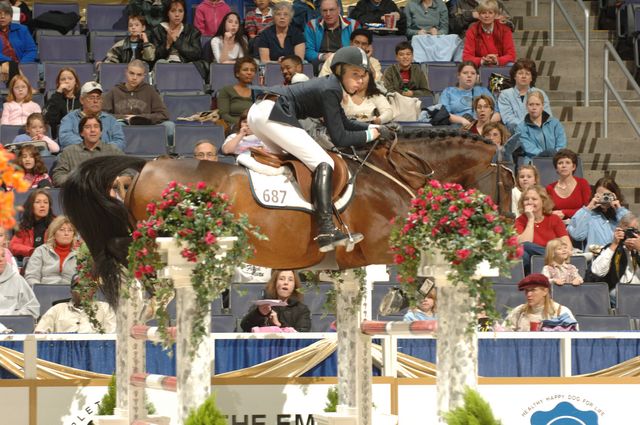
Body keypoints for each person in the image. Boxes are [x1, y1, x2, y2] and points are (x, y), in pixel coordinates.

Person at [247, 46, 394, 252]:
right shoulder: (331, 89)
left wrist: (374, 127)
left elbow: (345, 123)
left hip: (260, 112)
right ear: (340, 71)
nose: (360, 81)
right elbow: (340, 137)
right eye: (355, 75)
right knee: (324, 162)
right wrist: (373, 135)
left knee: (293, 164)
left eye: (362, 76)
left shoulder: (332, 87)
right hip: (273, 112)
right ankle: (326, 229)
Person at [102, 60, 174, 145]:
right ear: (126, 72)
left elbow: (164, 114)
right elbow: (103, 115)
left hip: (147, 126)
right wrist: (125, 117)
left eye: (139, 75)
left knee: (169, 126)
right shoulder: (115, 91)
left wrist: (140, 118)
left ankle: (168, 154)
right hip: (124, 126)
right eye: (131, 73)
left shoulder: (150, 90)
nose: (134, 78)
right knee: (118, 125)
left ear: (144, 76)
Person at [52, 116, 125, 186]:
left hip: (107, 193)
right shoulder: (68, 152)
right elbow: (58, 177)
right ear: (81, 133)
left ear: (101, 132)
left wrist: (112, 182)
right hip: (79, 193)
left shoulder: (113, 151)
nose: (93, 130)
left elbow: (129, 173)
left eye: (96, 126)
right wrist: (80, 181)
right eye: (87, 127)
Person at [515, 185, 571, 274]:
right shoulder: (520, 221)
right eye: (526, 199)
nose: (529, 202)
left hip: (554, 258)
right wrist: (530, 219)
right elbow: (524, 243)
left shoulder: (554, 219)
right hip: (532, 262)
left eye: (534, 199)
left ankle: (551, 257)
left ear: (543, 201)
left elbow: (568, 246)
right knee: (523, 252)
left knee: (526, 247)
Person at [34, 274, 116, 333]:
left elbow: (112, 336)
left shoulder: (105, 308)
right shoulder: (57, 309)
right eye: (79, 287)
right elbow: (39, 334)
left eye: (87, 286)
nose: (83, 290)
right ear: (71, 291)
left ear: (94, 290)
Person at [58, 81, 127, 151]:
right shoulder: (70, 118)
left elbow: (120, 142)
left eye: (98, 97)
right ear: (82, 100)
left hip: (105, 157)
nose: (95, 101)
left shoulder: (111, 120)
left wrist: (101, 149)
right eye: (91, 97)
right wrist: (88, 147)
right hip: (79, 156)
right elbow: (65, 138)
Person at [151, 0, 208, 80]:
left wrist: (177, 41)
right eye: (173, 11)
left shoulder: (192, 31)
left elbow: (196, 54)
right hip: (165, 66)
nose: (177, 15)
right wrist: (168, 43)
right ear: (167, 13)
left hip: (185, 66)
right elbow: (154, 56)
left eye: (180, 11)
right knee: (161, 63)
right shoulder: (158, 31)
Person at [591, 213, 640, 305]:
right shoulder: (612, 248)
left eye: (635, 231)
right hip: (619, 291)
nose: (631, 235)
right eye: (628, 231)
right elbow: (597, 271)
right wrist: (614, 244)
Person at [568, 176, 630, 249]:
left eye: (606, 195)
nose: (604, 198)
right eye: (599, 195)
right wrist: (588, 209)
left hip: (617, 257)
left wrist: (619, 210)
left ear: (614, 195)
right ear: (594, 194)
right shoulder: (588, 214)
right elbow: (577, 236)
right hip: (596, 257)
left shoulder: (621, 213)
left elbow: (632, 231)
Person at [240, 270, 311, 332]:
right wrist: (259, 313)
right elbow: (245, 326)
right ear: (275, 282)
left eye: (290, 280)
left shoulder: (302, 310)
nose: (286, 282)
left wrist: (279, 325)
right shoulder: (263, 304)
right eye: (281, 279)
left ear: (295, 285)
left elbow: (302, 333)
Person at [503, 273, 577, 332]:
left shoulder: (561, 312)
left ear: (545, 291)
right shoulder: (519, 312)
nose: (529, 294)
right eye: (527, 291)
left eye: (533, 290)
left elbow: (574, 337)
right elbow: (503, 334)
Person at [498, 58, 552, 132]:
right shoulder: (505, 95)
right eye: (520, 73)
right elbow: (508, 119)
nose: (524, 76)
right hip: (514, 135)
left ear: (531, 78)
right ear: (514, 76)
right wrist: (528, 127)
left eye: (527, 74)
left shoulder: (541, 93)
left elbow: (547, 116)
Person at [440, 61, 499, 127]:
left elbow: (497, 114)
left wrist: (484, 125)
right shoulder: (448, 92)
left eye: (473, 73)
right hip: (457, 128)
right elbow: (444, 114)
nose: (469, 75)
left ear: (477, 77)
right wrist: (462, 120)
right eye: (465, 73)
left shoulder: (483, 91)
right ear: (458, 75)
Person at [304, 0, 359, 71]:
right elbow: (308, 52)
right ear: (320, 12)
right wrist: (323, 57)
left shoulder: (353, 25)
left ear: (339, 10)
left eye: (332, 10)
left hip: (347, 64)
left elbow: (358, 50)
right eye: (324, 10)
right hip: (322, 65)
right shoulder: (312, 25)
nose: (328, 14)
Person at [24, 216, 77, 286]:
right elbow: (31, 277)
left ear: (73, 235)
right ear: (54, 233)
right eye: (62, 230)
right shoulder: (41, 251)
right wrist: (40, 291)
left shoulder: (79, 255)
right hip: (45, 293)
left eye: (70, 230)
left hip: (71, 294)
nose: (66, 233)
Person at [516, 90, 567, 162]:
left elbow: (561, 144)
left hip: (556, 159)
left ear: (542, 106)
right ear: (526, 106)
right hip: (533, 161)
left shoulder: (555, 123)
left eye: (537, 104)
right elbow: (528, 148)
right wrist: (544, 154)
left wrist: (555, 154)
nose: (534, 107)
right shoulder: (521, 128)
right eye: (531, 104)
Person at [462, 0, 516, 67]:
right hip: (479, 67)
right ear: (479, 15)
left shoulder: (505, 29)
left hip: (499, 66)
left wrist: (497, 60)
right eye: (483, 13)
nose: (487, 16)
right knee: (467, 67)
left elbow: (511, 55)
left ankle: (499, 77)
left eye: (490, 13)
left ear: (495, 15)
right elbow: (467, 56)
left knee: (511, 65)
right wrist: (482, 61)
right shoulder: (472, 30)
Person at [9, 189, 55, 262]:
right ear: (31, 206)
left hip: (51, 261)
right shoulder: (23, 226)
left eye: (46, 202)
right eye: (38, 202)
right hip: (30, 261)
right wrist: (32, 251)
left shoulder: (57, 224)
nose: (42, 205)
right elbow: (13, 246)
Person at [546, 149, 591, 220]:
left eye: (567, 162)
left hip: (580, 224)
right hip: (557, 224)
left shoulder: (582, 183)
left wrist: (564, 212)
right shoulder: (550, 188)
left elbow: (588, 209)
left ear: (573, 167)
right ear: (556, 168)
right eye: (560, 163)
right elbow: (547, 212)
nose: (564, 166)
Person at [0, 2, 37, 84]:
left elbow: (31, 50)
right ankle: (27, 87)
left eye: (6, 14)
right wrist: (10, 62)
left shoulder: (22, 29)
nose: (2, 16)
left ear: (11, 17)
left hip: (23, 64)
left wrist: (21, 64)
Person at [217, 57, 257, 128]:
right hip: (233, 127)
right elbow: (224, 115)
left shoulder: (259, 91)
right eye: (245, 70)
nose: (249, 72)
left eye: (252, 70)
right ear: (237, 73)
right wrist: (243, 124)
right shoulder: (226, 90)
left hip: (254, 127)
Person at [44, 67, 81, 139]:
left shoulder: (82, 98)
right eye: (63, 79)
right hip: (60, 136)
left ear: (75, 81)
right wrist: (58, 92)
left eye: (70, 78)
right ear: (58, 83)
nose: (66, 81)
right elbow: (50, 119)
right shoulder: (55, 98)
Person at [0, 250, 39, 318]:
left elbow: (33, 309)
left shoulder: (17, 280)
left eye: (3, 256)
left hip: (12, 326)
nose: (1, 259)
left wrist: (13, 316)